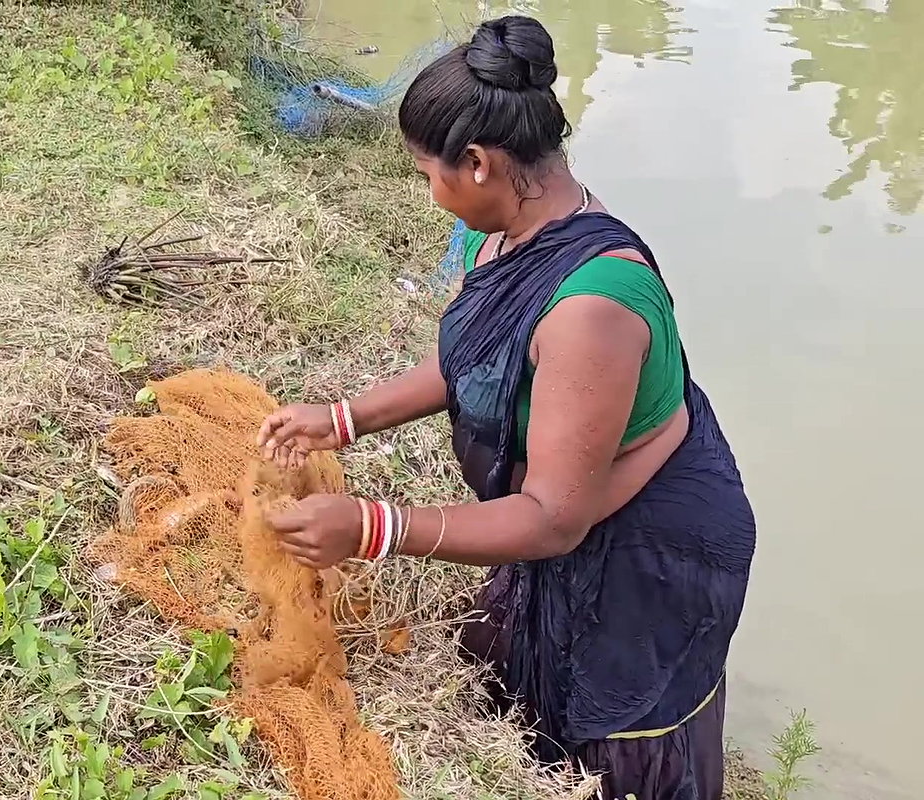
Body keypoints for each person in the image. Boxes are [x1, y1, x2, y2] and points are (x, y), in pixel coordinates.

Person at [256, 15, 755, 800]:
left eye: (430, 175)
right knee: (520, 666)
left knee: (616, 740)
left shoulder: (592, 307)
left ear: (482, 163)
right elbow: (470, 362)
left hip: (645, 549)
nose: (430, 196)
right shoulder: (504, 235)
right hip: (562, 505)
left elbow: (555, 518)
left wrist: (370, 527)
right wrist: (344, 418)